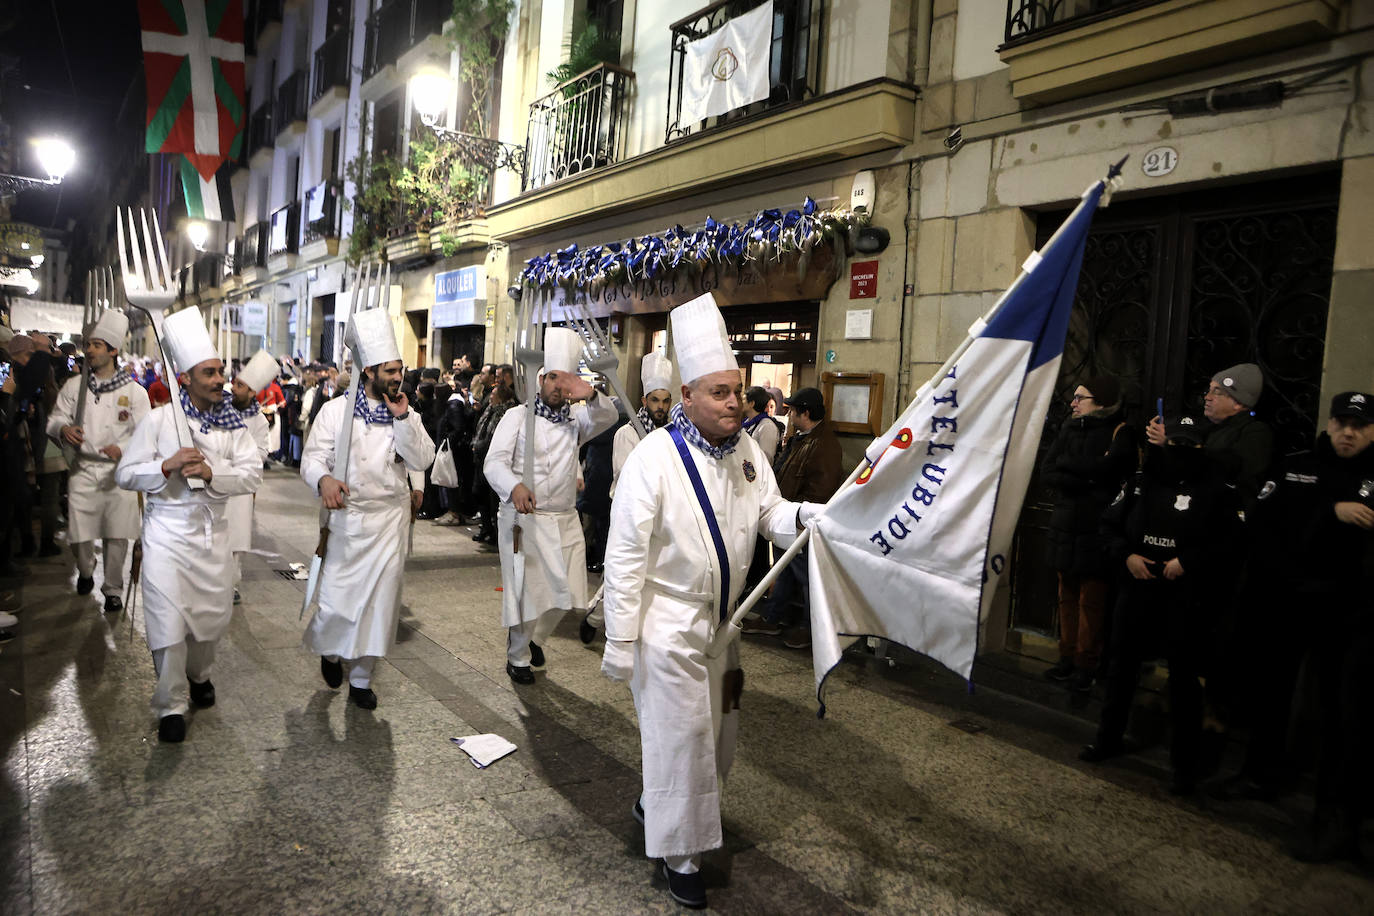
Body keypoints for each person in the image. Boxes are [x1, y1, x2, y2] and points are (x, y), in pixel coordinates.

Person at [601, 293, 814, 909]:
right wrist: (620, 639)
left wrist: (813, 515)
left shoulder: (749, 451)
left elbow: (771, 512)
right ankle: (683, 856)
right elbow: (625, 556)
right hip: (667, 627)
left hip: (727, 627)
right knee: (685, 738)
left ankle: (658, 803)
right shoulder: (652, 459)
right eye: (720, 392)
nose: (734, 404)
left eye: (739, 391)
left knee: (720, 738)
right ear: (688, 394)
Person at [115, 309, 262, 743]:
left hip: (212, 535)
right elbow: (126, 473)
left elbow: (252, 473)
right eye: (210, 372)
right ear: (186, 378)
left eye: (221, 371)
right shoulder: (160, 421)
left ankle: (200, 676)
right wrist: (165, 465)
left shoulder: (235, 427)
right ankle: (171, 704)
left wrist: (213, 473)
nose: (220, 379)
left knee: (209, 624)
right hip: (166, 536)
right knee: (166, 625)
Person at [1079, 415, 1242, 795]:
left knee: (1184, 681)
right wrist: (1127, 556)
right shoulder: (1141, 482)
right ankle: (1108, 739)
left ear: (1203, 449)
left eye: (1190, 446)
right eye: (1175, 444)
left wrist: (1188, 562)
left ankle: (1184, 767)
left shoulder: (1218, 490)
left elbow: (1232, 542)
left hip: (1184, 598)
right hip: (1137, 591)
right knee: (1121, 669)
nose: (1180, 453)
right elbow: (1109, 526)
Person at [301, 309, 435, 710]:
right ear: (370, 370)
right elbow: (311, 460)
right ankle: (330, 650)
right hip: (346, 518)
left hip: (389, 522)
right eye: (390, 370)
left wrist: (405, 419)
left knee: (381, 604)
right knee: (336, 601)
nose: (398, 377)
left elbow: (422, 459)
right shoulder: (335, 412)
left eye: (400, 369)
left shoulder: (406, 411)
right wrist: (323, 481)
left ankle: (361, 678)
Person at [483, 328, 618, 684]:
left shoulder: (576, 420)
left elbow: (608, 417)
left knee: (569, 596)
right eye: (554, 378)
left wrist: (589, 392)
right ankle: (518, 658)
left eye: (567, 380)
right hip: (523, 518)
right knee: (526, 595)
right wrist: (514, 487)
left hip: (564, 518)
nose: (560, 387)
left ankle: (536, 640)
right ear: (541, 379)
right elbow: (493, 463)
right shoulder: (518, 416)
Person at [1039, 376, 1139, 690]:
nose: (1073, 402)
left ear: (1101, 403)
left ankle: (1086, 665)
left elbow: (1111, 472)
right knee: (1065, 597)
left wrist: (1073, 469)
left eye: (1081, 397)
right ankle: (1066, 658)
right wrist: (1088, 475)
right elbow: (1048, 470)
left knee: (1091, 602)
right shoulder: (1069, 427)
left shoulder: (1120, 432)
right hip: (1064, 526)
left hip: (1095, 528)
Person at [48, 309, 150, 610]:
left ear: (113, 351)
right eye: (88, 344)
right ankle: (85, 567)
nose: (89, 350)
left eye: (96, 345)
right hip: (83, 468)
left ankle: (113, 590)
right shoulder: (74, 387)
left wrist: (125, 448)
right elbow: (53, 420)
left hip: (119, 474)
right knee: (79, 533)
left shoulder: (135, 392)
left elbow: (146, 434)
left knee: (117, 537)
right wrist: (64, 428)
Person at [740, 386, 842, 649]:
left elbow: (822, 489)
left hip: (802, 522)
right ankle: (773, 618)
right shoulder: (804, 438)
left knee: (808, 578)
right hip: (790, 516)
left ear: (805, 413)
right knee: (784, 570)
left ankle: (811, 629)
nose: (790, 416)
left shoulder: (823, 445)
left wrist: (798, 516)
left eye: (794, 411)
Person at [226, 350, 279, 603]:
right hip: (214, 481)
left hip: (241, 489)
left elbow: (261, 452)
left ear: (251, 392)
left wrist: (237, 458)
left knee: (237, 538)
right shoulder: (219, 411)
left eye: (239, 385)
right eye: (234, 383)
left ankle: (232, 583)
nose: (233, 388)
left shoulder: (258, 421)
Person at [470, 383, 513, 545]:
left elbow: (496, 437)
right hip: (480, 458)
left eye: (494, 394)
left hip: (492, 458)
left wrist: (480, 446)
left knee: (492, 498)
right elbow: (481, 427)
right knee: (479, 494)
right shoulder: (489, 409)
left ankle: (494, 533)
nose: (491, 396)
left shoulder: (505, 413)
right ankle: (486, 528)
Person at [741, 386, 782, 466]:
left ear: (751, 404)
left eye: (743, 400)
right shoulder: (746, 423)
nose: (741, 402)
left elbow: (766, 459)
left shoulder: (767, 426)